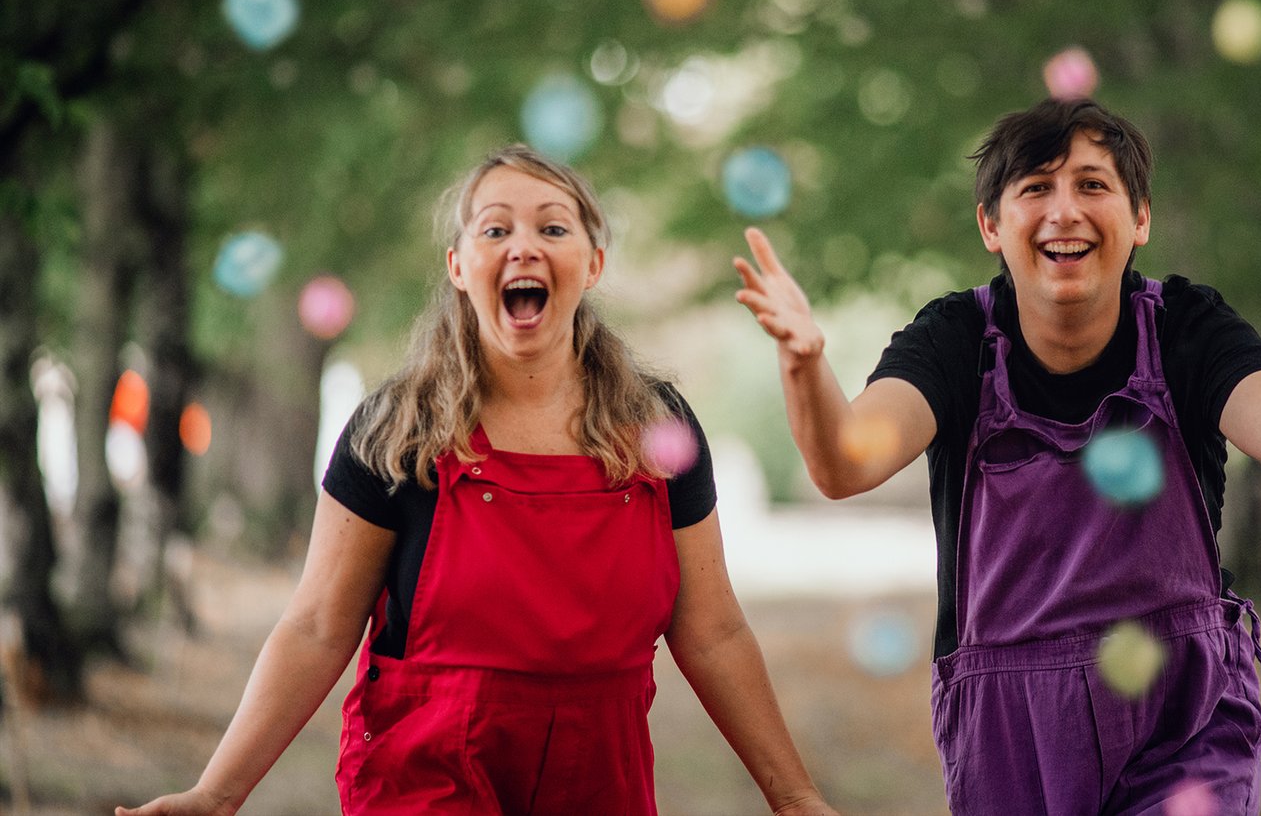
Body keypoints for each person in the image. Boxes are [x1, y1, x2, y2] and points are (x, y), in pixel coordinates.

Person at [733, 98, 1261, 815]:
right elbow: (844, 463)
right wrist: (805, 365)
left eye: (1093, 185)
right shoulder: (953, 341)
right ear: (991, 224)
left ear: (1139, 217)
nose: (1065, 212)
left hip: (1183, 721)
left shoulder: (1190, 328)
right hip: (1011, 737)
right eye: (1036, 189)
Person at [119, 145, 836, 816]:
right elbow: (315, 627)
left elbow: (712, 632)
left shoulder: (658, 428)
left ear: (593, 264)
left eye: (552, 227)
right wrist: (216, 795)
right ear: (459, 266)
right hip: (428, 778)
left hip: (601, 782)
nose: (523, 245)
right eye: (495, 229)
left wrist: (795, 797)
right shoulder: (393, 430)